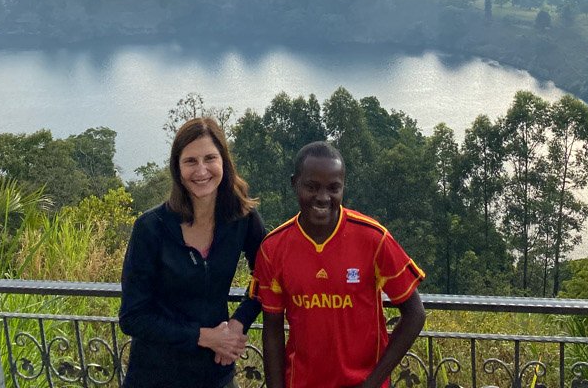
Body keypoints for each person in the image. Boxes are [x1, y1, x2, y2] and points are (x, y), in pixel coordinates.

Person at [251, 141, 426, 388]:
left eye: (333, 188)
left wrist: (373, 381)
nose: (322, 198)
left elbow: (415, 314)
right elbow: (272, 329)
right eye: (312, 187)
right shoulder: (273, 248)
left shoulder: (373, 238)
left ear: (343, 187)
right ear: (294, 183)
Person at [119, 116, 266, 388]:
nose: (201, 170)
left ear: (224, 162)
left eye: (210, 158)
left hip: (215, 374)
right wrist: (205, 336)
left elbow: (269, 275)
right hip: (155, 375)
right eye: (190, 161)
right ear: (177, 168)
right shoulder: (151, 228)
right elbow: (132, 317)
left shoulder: (242, 219)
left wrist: (239, 322)